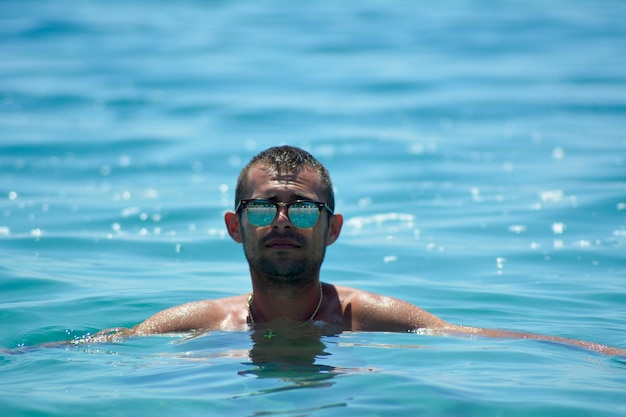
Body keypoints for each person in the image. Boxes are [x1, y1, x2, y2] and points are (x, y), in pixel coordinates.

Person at [94, 145, 625, 356]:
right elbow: (92, 351)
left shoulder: (365, 318)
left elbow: (477, 338)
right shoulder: (199, 324)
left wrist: (600, 352)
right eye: (263, 209)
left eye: (303, 209)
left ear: (333, 229)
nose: (282, 221)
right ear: (236, 226)